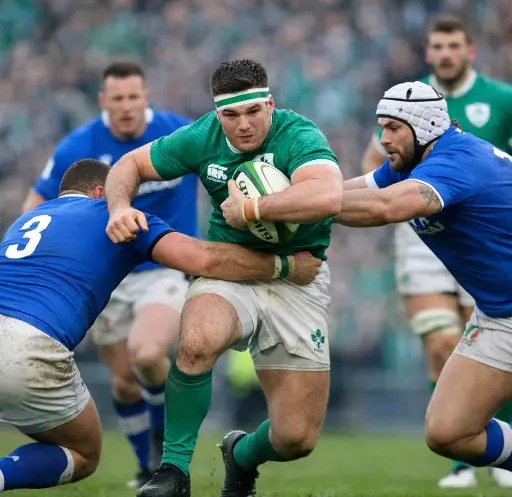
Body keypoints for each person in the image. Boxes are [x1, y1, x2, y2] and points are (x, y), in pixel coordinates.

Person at [0, 158, 320, 493]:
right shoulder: (114, 215)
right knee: (83, 453)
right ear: (101, 192)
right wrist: (284, 265)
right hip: (29, 346)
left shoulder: (27, 219)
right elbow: (204, 259)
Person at [104, 58, 343, 497]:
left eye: (253, 112)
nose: (243, 125)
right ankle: (172, 472)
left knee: (295, 438)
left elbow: (328, 195)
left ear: (270, 104)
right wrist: (119, 207)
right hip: (230, 270)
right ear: (218, 114)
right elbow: (129, 165)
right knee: (197, 341)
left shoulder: (299, 134)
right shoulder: (204, 136)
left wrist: (251, 208)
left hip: (299, 278)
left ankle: (241, 455)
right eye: (231, 115)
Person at [22, 61, 198, 488]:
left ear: (146, 96)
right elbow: (36, 204)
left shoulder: (179, 132)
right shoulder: (78, 146)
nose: (126, 106)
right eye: (117, 99)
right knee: (123, 384)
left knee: (147, 354)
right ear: (103, 101)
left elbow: (218, 169)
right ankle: (145, 468)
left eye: (133, 97)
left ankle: (163, 443)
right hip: (107, 278)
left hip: (162, 267)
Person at [335, 80, 512, 485]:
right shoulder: (410, 164)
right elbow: (352, 191)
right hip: (499, 314)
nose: (383, 139)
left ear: (424, 126)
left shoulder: (455, 160)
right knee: (448, 430)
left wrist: (267, 208)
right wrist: (290, 198)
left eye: (393, 128)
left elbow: (385, 207)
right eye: (382, 127)